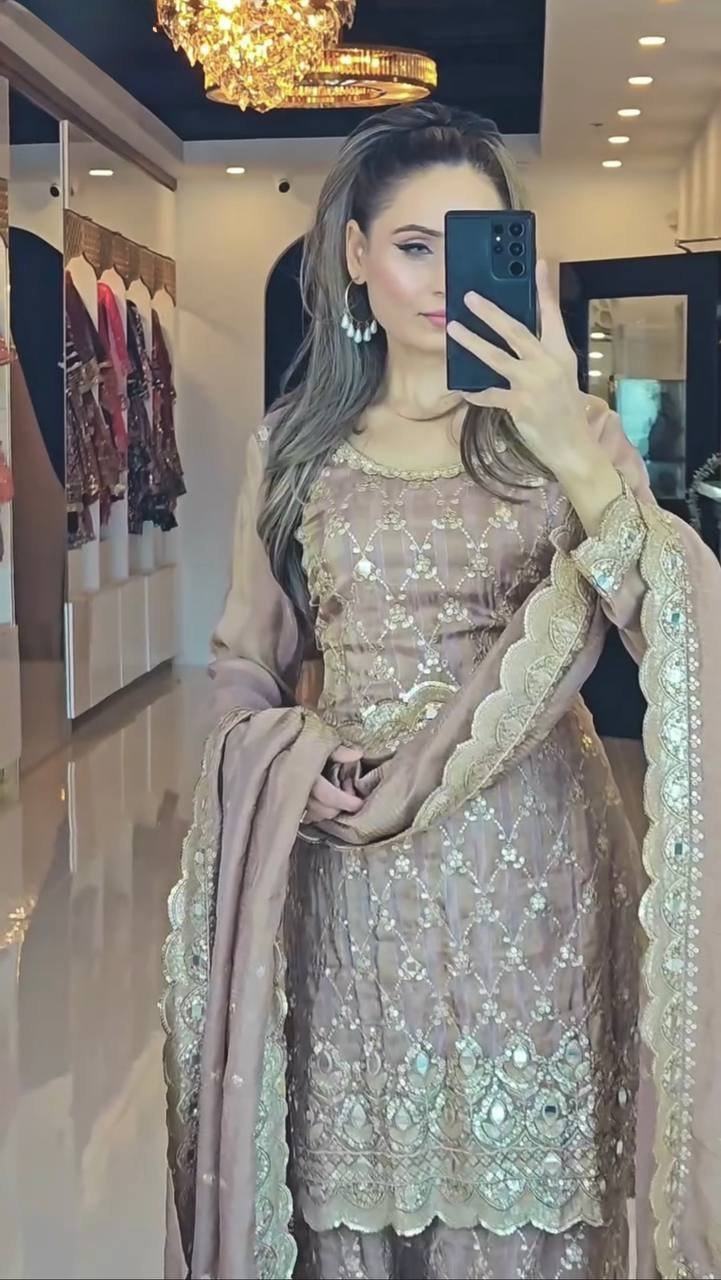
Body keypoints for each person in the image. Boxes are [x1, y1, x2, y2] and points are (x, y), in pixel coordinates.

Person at [163, 103, 721, 1280]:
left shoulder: (567, 434)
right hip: (351, 881)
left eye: (472, 245)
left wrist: (570, 446)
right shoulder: (292, 446)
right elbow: (246, 657)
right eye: (415, 245)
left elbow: (663, 623)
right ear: (355, 255)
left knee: (523, 1218)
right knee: (352, 1210)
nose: (441, 280)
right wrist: (278, 749)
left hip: (534, 877)